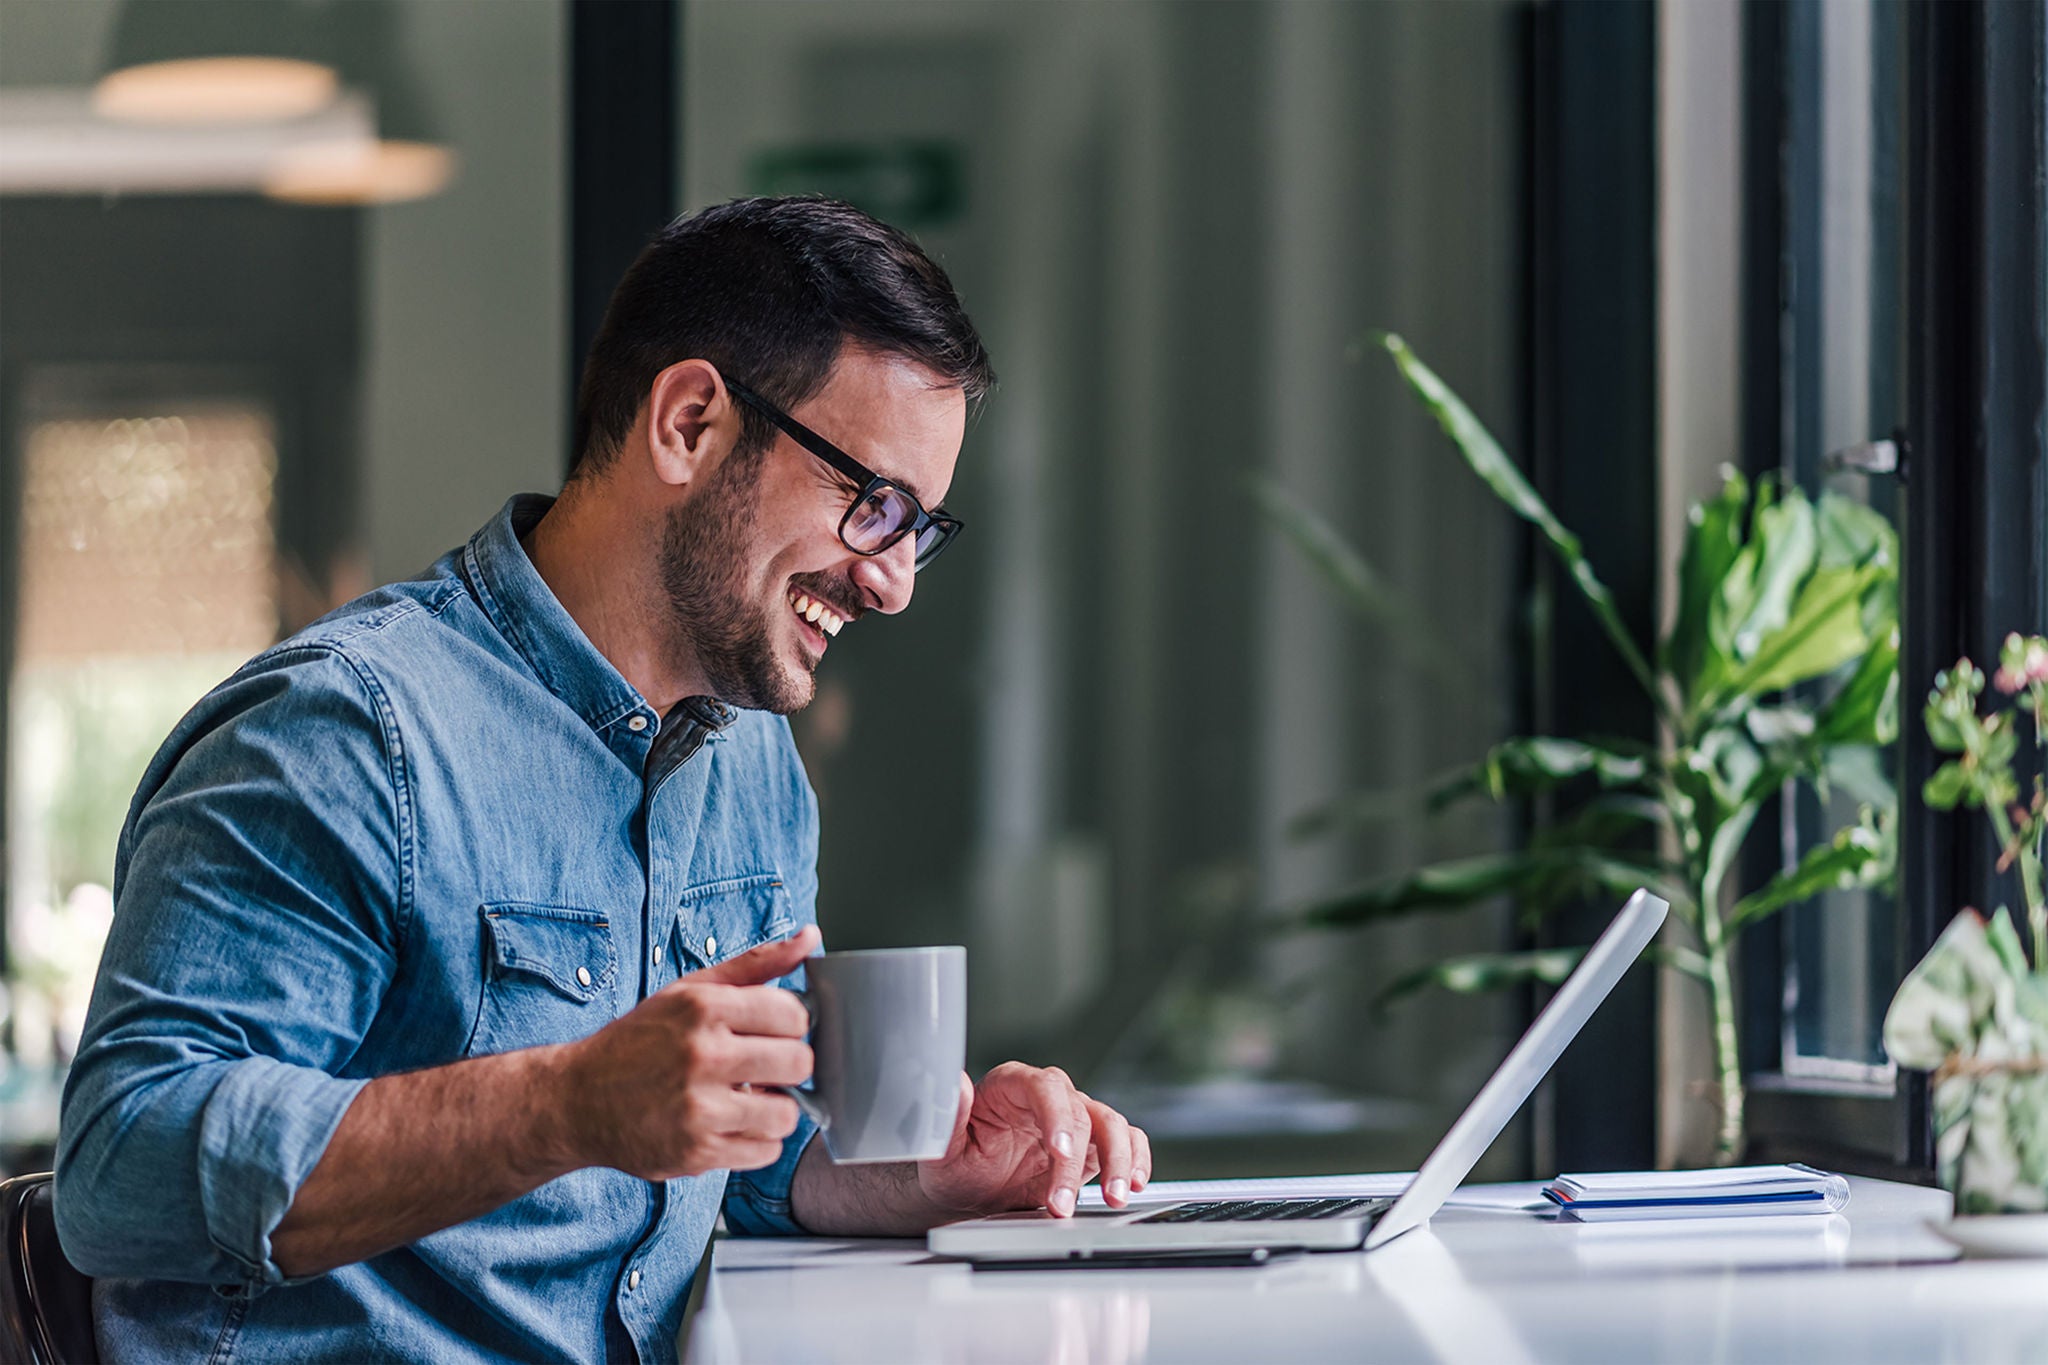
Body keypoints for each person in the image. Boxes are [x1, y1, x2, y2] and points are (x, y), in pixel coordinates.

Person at [55, 197, 1151, 1363]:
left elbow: (751, 1152)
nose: (893, 584)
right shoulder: (339, 733)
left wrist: (924, 1171)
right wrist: (565, 1108)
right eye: (872, 503)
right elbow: (123, 1171)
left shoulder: (750, 758)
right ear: (688, 424)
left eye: (919, 529)